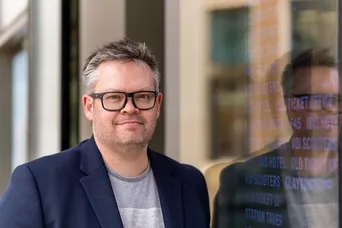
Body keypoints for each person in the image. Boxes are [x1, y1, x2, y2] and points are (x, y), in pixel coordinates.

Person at [0, 38, 210, 228]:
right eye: (114, 97)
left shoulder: (190, 184)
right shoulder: (40, 183)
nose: (130, 107)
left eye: (143, 96)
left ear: (158, 105)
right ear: (89, 107)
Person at [212, 48, 340, 228]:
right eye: (318, 100)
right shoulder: (240, 182)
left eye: (337, 100)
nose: (332, 110)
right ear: (291, 105)